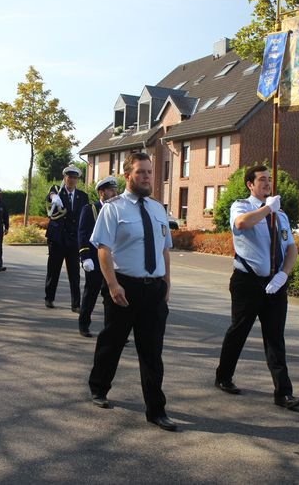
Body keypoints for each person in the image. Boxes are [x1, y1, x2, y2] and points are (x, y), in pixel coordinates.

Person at [87, 152, 176, 431]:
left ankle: (156, 410)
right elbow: (103, 249)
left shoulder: (158, 209)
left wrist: (167, 283)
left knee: (152, 352)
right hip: (124, 287)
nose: (147, 177)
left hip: (154, 290)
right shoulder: (113, 209)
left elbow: (164, 249)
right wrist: (112, 284)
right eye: (141, 172)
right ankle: (99, 386)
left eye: (149, 172)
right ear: (128, 176)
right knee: (112, 342)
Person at [214, 164, 299, 410]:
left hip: (275, 284)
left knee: (275, 337)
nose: (267, 183)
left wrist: (284, 275)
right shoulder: (242, 206)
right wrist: (267, 209)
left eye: (269, 179)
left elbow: (291, 248)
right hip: (247, 282)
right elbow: (242, 224)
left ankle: (283, 392)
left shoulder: (281, 215)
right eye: (262, 179)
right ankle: (224, 376)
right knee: (239, 331)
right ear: (250, 184)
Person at [77, 176, 118, 338]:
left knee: (112, 296)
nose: (115, 193)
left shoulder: (117, 210)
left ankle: (113, 331)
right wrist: (84, 256)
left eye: (115, 190)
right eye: (111, 190)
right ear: (102, 192)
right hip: (94, 259)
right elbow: (83, 233)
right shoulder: (90, 209)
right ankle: (84, 324)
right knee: (91, 293)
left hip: (113, 260)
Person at [44, 165, 89, 311]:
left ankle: (76, 304)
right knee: (53, 270)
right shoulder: (57, 191)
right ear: (65, 178)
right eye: (69, 177)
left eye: (75, 178)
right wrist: (54, 197)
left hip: (73, 239)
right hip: (57, 238)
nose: (72, 180)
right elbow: (50, 194)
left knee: (74, 273)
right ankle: (49, 298)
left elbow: (84, 217)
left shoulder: (82, 196)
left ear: (77, 180)